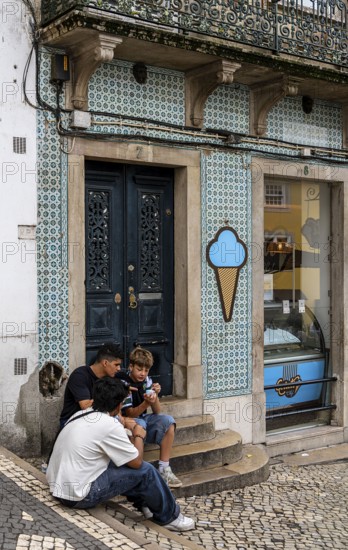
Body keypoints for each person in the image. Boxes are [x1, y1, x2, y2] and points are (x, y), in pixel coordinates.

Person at [46, 377, 195, 532]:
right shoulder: (109, 424)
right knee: (146, 471)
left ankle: (145, 504)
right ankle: (170, 517)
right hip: (78, 496)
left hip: (57, 488)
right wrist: (138, 435)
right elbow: (137, 462)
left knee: (122, 462)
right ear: (118, 405)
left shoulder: (80, 414)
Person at [116, 346, 182, 488]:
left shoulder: (147, 381)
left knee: (168, 421)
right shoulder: (123, 382)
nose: (142, 373)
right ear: (131, 366)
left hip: (144, 417)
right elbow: (129, 413)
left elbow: (157, 411)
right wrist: (146, 403)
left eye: (146, 370)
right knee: (141, 424)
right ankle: (137, 472)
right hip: (129, 420)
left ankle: (164, 468)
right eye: (139, 369)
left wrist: (154, 396)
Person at [59, 342, 135, 431]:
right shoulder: (80, 376)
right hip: (73, 423)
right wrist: (114, 394)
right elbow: (86, 407)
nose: (118, 368)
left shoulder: (111, 377)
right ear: (105, 363)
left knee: (135, 425)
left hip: (99, 420)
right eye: (116, 364)